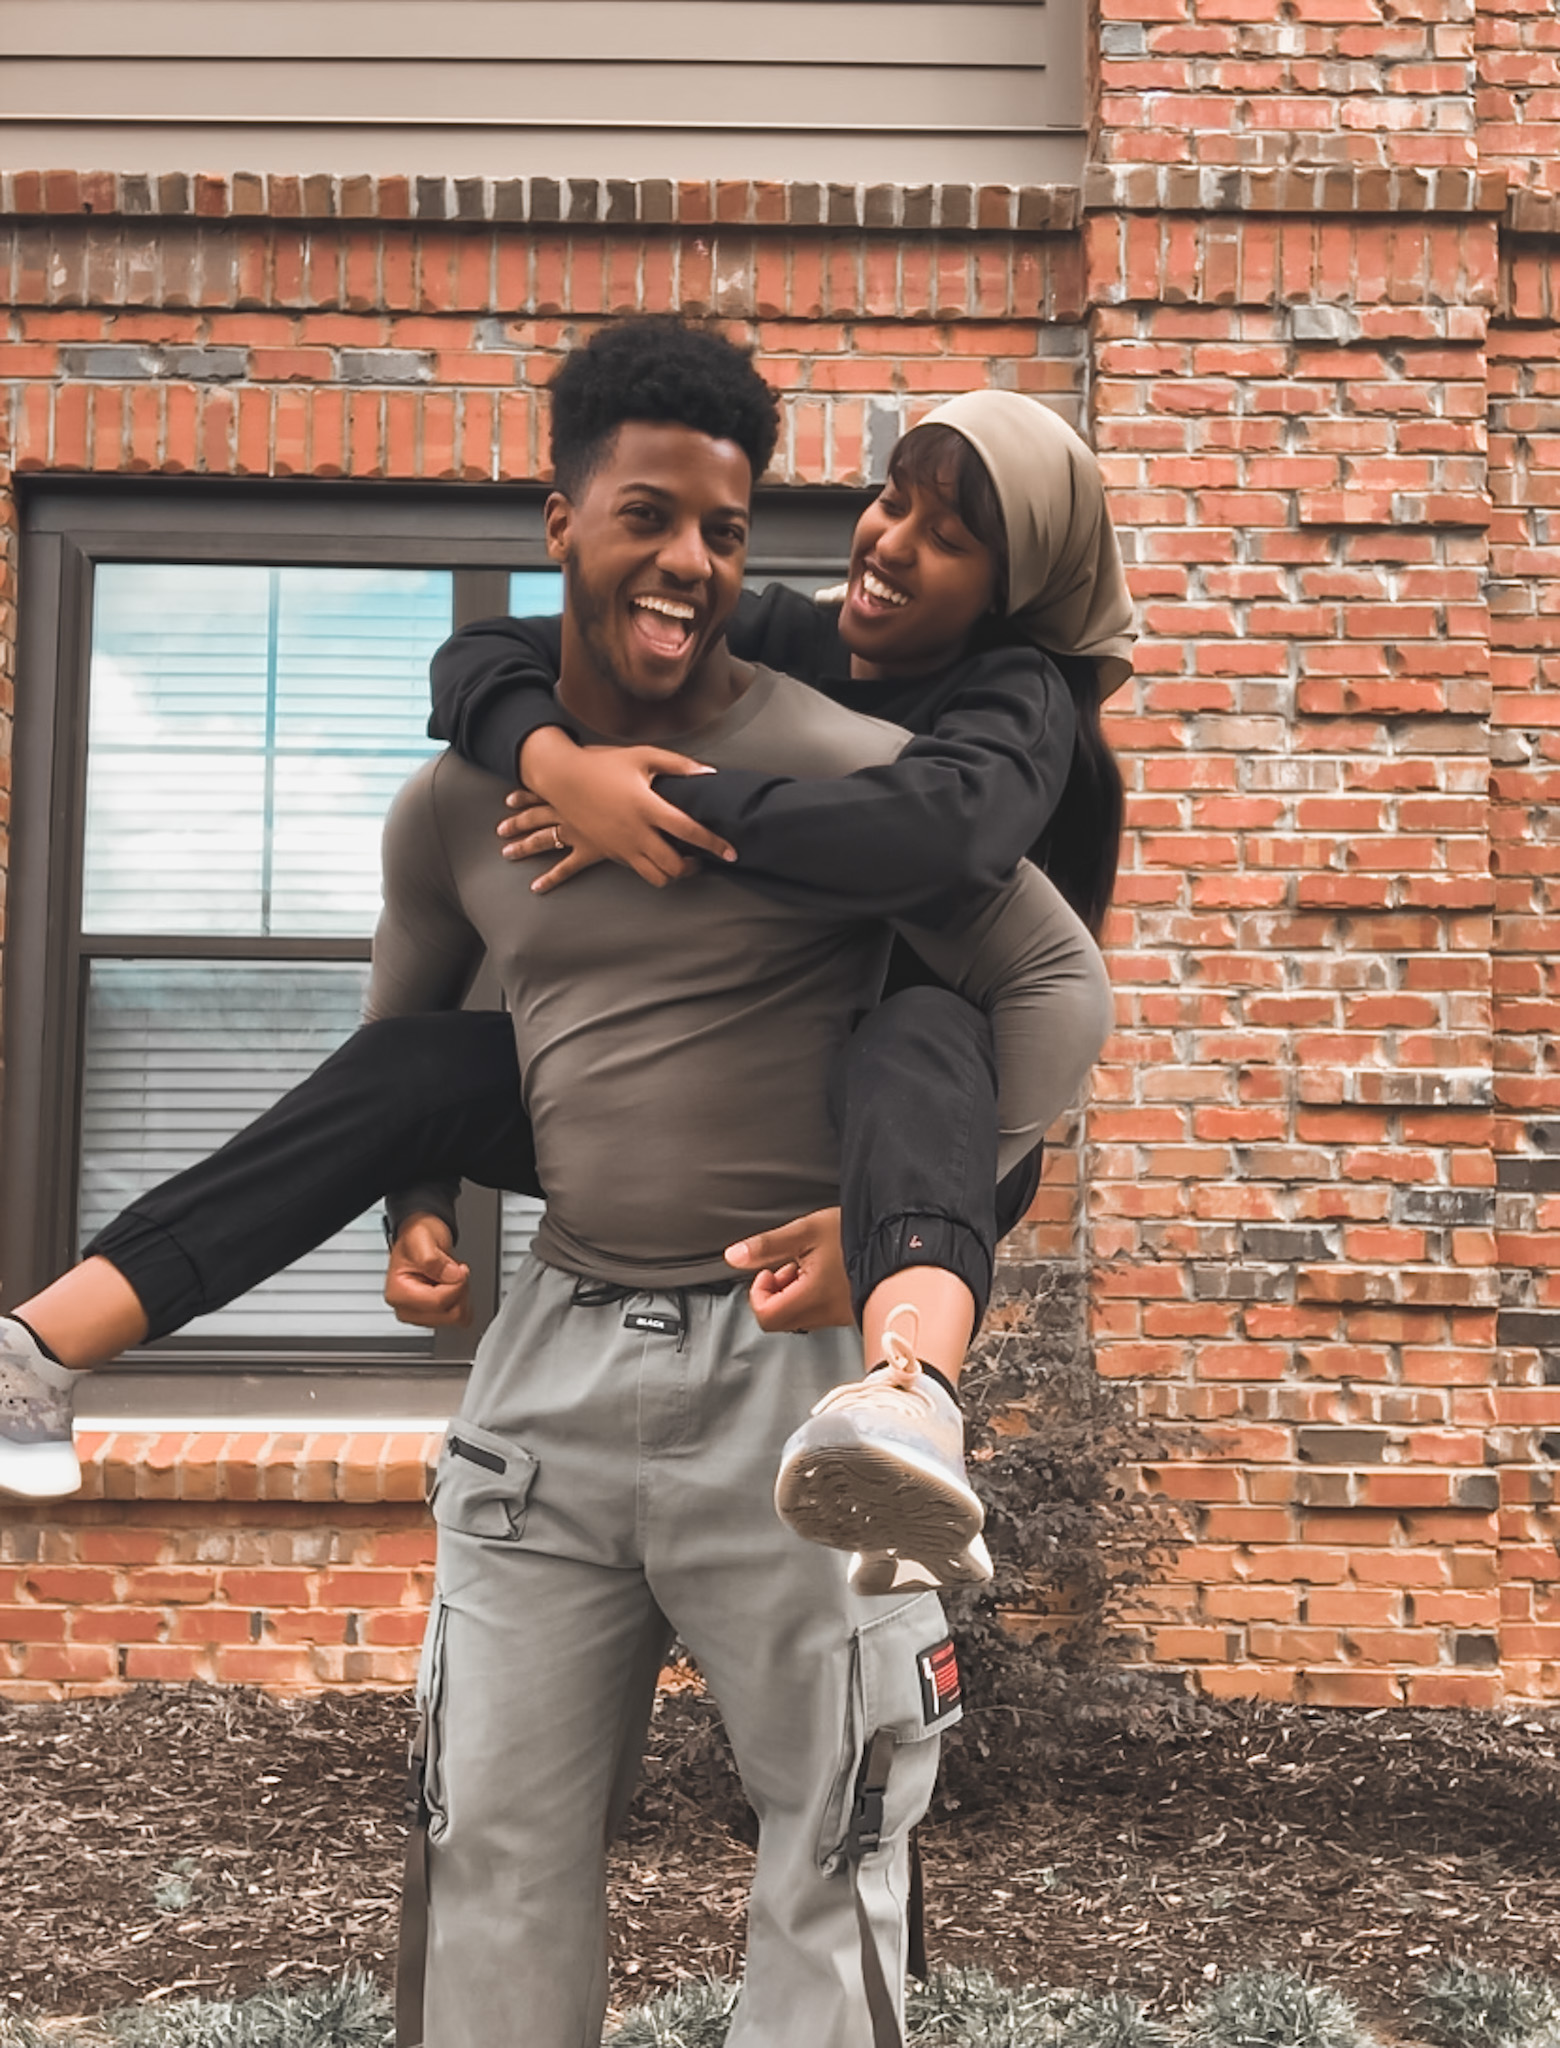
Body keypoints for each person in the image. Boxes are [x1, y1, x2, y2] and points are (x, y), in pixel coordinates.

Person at [0, 364, 1125, 1598]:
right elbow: (487, 654)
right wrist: (558, 758)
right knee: (408, 1066)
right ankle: (42, 1347)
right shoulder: (796, 637)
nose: (891, 543)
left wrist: (670, 802)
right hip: (649, 1102)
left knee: (919, 1031)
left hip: (917, 1123)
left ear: (1012, 588)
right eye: (891, 500)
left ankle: (911, 1407)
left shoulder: (1017, 706)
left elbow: (939, 842)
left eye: (946, 537)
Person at [369, 319, 1103, 2048]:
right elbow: (411, 1017)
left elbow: (1051, 984)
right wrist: (419, 1206)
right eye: (651, 518)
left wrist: (931, 1226)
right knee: (486, 1835)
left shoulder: (907, 760)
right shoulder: (464, 799)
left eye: (723, 527)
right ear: (561, 517)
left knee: (837, 1837)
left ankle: (918, 1367)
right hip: (544, 1365)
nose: (697, 561)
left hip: (795, 1374)